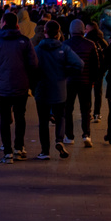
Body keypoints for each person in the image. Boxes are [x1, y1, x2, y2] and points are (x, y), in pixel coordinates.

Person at [0, 16, 38, 163]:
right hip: (21, 85)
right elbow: (33, 64)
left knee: (4, 119)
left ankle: (7, 152)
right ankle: (19, 148)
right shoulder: (25, 42)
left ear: (3, 24)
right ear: (17, 25)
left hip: (2, 87)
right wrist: (31, 84)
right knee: (20, 117)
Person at [32, 21, 83, 160]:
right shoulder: (64, 49)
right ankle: (59, 139)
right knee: (60, 116)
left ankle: (45, 151)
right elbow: (79, 64)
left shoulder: (37, 49)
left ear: (45, 33)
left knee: (43, 121)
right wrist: (65, 72)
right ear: (58, 33)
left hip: (42, 90)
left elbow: (31, 67)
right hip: (60, 89)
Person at [66, 20, 101, 149]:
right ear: (83, 30)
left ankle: (69, 136)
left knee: (68, 109)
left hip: (69, 81)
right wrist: (93, 80)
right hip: (85, 81)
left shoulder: (65, 44)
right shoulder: (90, 44)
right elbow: (95, 65)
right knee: (85, 109)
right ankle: (86, 134)